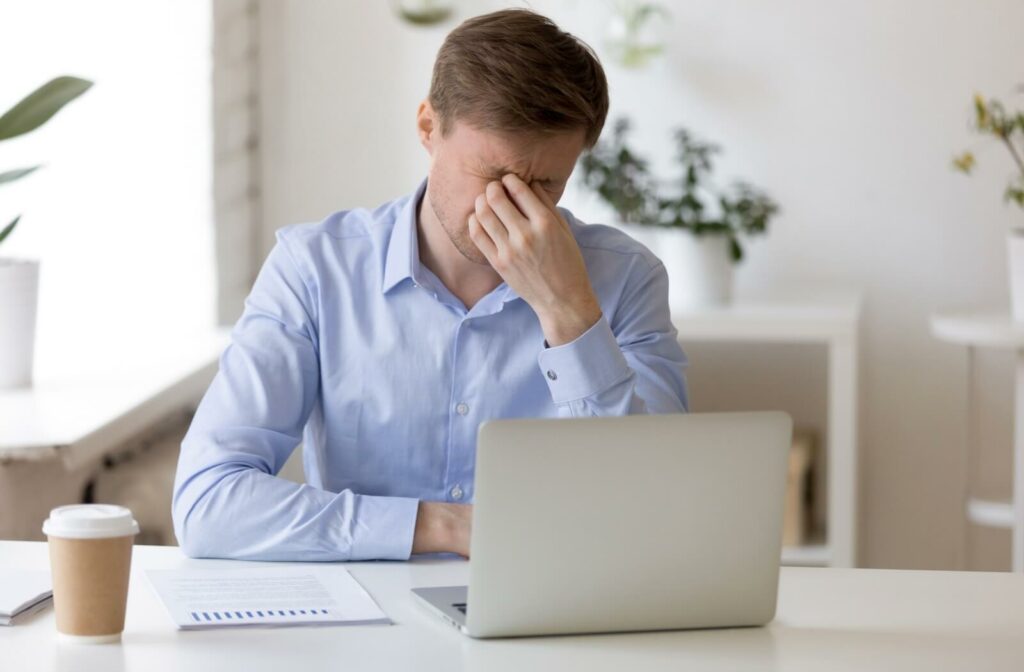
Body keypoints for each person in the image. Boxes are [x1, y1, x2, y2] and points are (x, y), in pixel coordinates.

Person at [172, 8, 688, 562]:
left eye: (546, 183)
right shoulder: (315, 271)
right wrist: (444, 526)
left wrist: (567, 313)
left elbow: (655, 510)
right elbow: (208, 503)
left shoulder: (626, 278)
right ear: (427, 128)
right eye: (493, 177)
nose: (516, 207)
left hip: (558, 615)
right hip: (365, 623)